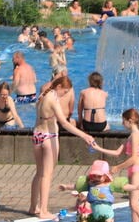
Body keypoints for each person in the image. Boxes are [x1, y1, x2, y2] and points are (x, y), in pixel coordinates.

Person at [28, 76, 96, 219]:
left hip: (37, 135)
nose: (64, 95)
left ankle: (33, 207)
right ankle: (43, 211)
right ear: (58, 87)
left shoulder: (43, 94)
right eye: (64, 92)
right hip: (49, 137)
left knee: (39, 173)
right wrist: (84, 136)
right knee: (47, 175)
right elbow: (64, 124)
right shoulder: (52, 98)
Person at [93, 109, 139, 222]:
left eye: (123, 121)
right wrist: (97, 148)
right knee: (132, 205)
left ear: (130, 120)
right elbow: (117, 152)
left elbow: (133, 158)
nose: (122, 124)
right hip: (133, 170)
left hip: (138, 170)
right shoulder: (131, 136)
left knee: (134, 204)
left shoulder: (136, 135)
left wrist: (117, 168)